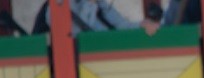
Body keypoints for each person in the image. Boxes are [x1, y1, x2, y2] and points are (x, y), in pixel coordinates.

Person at [32, 0, 161, 36]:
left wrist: (142, 25)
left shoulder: (99, 4)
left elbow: (121, 26)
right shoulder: (56, 6)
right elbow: (81, 35)